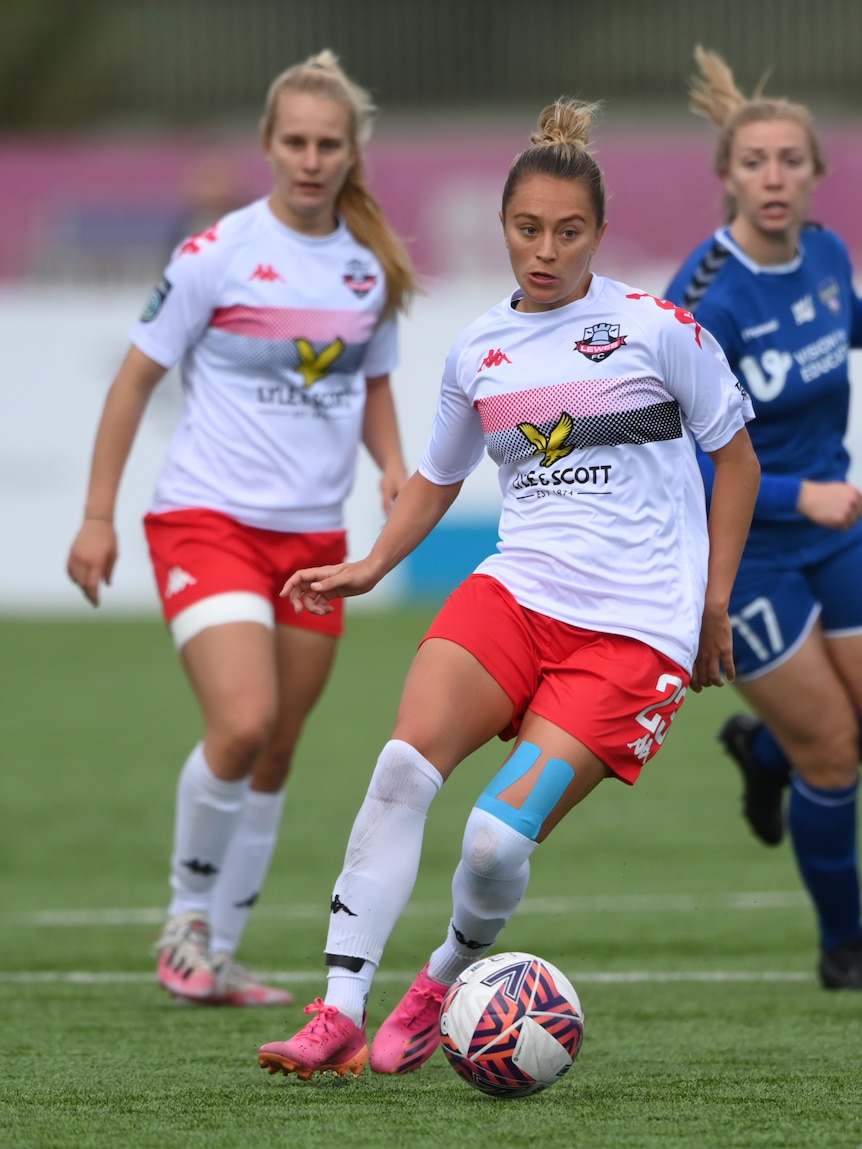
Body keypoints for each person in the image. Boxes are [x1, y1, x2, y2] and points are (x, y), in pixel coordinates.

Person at [256, 94, 760, 1080]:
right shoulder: (478, 349)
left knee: (491, 844)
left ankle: (443, 975)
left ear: (600, 234)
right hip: (516, 595)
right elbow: (440, 478)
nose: (545, 249)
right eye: (527, 228)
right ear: (504, 227)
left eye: (567, 231)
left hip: (633, 633)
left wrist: (709, 604)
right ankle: (338, 1010)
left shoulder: (660, 332)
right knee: (402, 769)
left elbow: (734, 462)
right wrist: (369, 564)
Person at [65, 50, 415, 1006]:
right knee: (244, 719)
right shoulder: (213, 254)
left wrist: (390, 461)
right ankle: (183, 916)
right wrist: (97, 516)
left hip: (314, 543)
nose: (310, 158)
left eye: (328, 144)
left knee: (281, 745)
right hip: (206, 523)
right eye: (294, 141)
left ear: (352, 153)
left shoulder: (366, 269)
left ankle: (213, 956)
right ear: (268, 146)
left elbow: (372, 384)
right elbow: (134, 381)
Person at [664, 47, 862, 989]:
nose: (774, 177)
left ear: (817, 173)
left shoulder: (826, 253)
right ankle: (844, 946)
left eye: (791, 160)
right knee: (837, 750)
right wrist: (795, 493)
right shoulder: (704, 297)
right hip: (746, 555)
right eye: (755, 161)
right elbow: (680, 453)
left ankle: (762, 746)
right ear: (726, 175)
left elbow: (843, 329)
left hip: (841, 530)